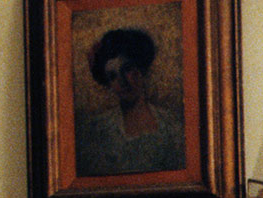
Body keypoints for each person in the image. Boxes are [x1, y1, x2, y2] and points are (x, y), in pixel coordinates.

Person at [75, 27, 185, 176]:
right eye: (113, 76)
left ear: (141, 69)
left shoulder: (172, 126)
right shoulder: (97, 130)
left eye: (127, 69)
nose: (122, 81)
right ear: (108, 85)